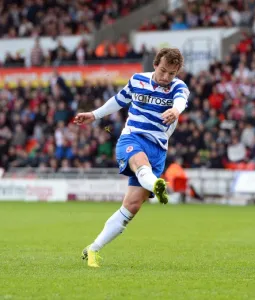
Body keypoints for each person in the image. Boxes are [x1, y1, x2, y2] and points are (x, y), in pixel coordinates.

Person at [74, 48, 190, 268]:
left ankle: (93, 249)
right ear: (155, 64)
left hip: (158, 148)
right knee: (139, 164)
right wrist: (94, 115)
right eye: (163, 71)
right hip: (132, 138)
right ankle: (156, 184)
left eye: (172, 74)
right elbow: (119, 100)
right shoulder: (137, 80)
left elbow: (181, 100)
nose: (166, 77)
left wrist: (176, 110)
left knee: (132, 206)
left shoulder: (179, 87)